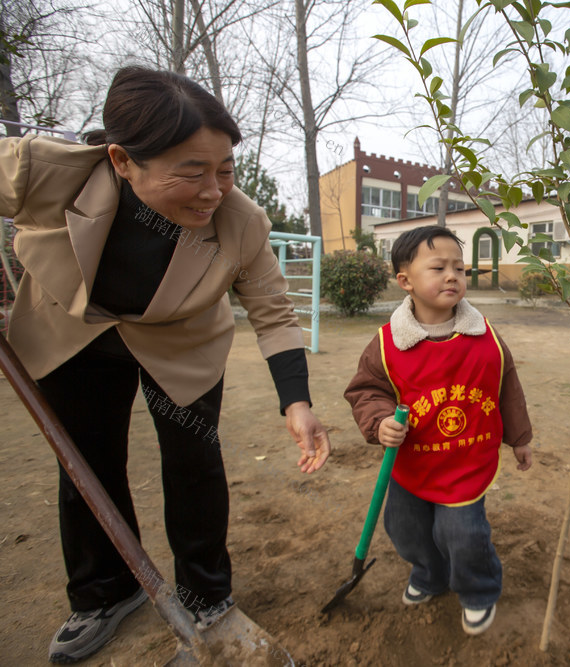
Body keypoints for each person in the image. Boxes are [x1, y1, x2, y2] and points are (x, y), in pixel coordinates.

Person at [0, 66, 331, 663]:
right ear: (123, 160)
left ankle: (207, 596)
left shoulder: (241, 222)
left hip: (181, 344)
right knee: (86, 464)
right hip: (75, 332)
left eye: (225, 169)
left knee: (193, 462)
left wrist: (297, 402)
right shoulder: (44, 169)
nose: (214, 190)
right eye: (192, 171)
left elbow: (275, 313)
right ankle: (105, 592)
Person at [344, 225, 532, 635]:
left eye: (459, 268)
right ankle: (430, 574)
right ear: (405, 281)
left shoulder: (485, 337)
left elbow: (506, 384)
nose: (452, 275)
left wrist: (519, 438)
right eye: (439, 267)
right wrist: (379, 424)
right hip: (411, 464)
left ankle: (478, 590)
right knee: (405, 529)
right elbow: (366, 390)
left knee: (462, 533)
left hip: (465, 461)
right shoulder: (387, 344)